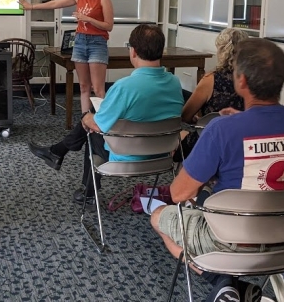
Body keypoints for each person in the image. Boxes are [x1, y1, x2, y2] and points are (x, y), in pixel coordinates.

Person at [151, 39, 284, 302]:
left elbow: (178, 194)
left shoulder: (221, 130)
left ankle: (222, 281)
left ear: (241, 81)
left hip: (231, 243)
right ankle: (233, 287)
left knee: (158, 215)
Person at [28, 25, 184, 206]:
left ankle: (86, 188)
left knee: (91, 127)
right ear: (161, 51)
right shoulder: (175, 83)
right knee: (95, 120)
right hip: (162, 156)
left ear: (132, 51)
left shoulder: (125, 87)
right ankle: (57, 153)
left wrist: (86, 117)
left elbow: (98, 126)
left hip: (126, 155)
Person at [18, 0, 113, 113]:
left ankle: (103, 123)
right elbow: (56, 3)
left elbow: (108, 26)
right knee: (83, 86)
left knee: (98, 88)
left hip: (97, 43)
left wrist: (87, 19)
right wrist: (31, 7)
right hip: (80, 41)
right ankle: (85, 121)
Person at [179, 28, 248, 160]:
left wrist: (200, 120)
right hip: (242, 144)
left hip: (210, 143)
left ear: (222, 51)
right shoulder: (254, 80)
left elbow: (185, 116)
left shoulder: (211, 79)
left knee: (179, 135)